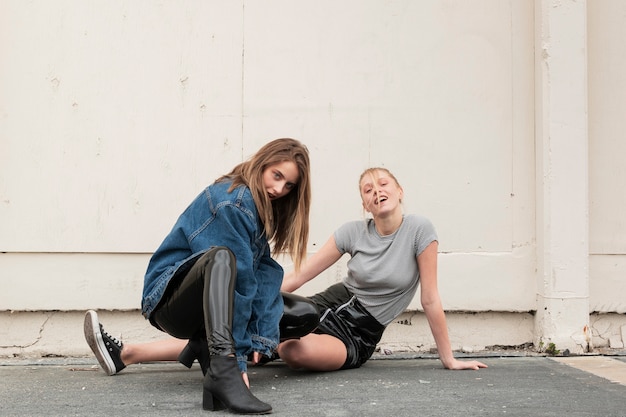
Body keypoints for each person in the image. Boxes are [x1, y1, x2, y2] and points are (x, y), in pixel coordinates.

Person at [85, 138, 314, 415]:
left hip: (209, 300)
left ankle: (206, 349)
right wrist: (237, 360)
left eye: (289, 185)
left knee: (304, 312)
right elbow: (238, 286)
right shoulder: (234, 201)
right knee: (221, 259)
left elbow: (266, 272)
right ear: (261, 164)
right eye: (277, 176)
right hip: (169, 300)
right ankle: (222, 368)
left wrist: (262, 337)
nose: (279, 189)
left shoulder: (258, 206)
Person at [276, 167, 488, 372]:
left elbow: (430, 298)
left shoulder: (419, 230)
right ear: (365, 205)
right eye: (368, 190)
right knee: (281, 318)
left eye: (384, 183)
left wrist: (448, 359)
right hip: (327, 304)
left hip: (359, 334)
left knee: (292, 351)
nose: (377, 191)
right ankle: (260, 340)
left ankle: (270, 344)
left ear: (400, 192)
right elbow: (299, 276)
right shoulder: (352, 232)